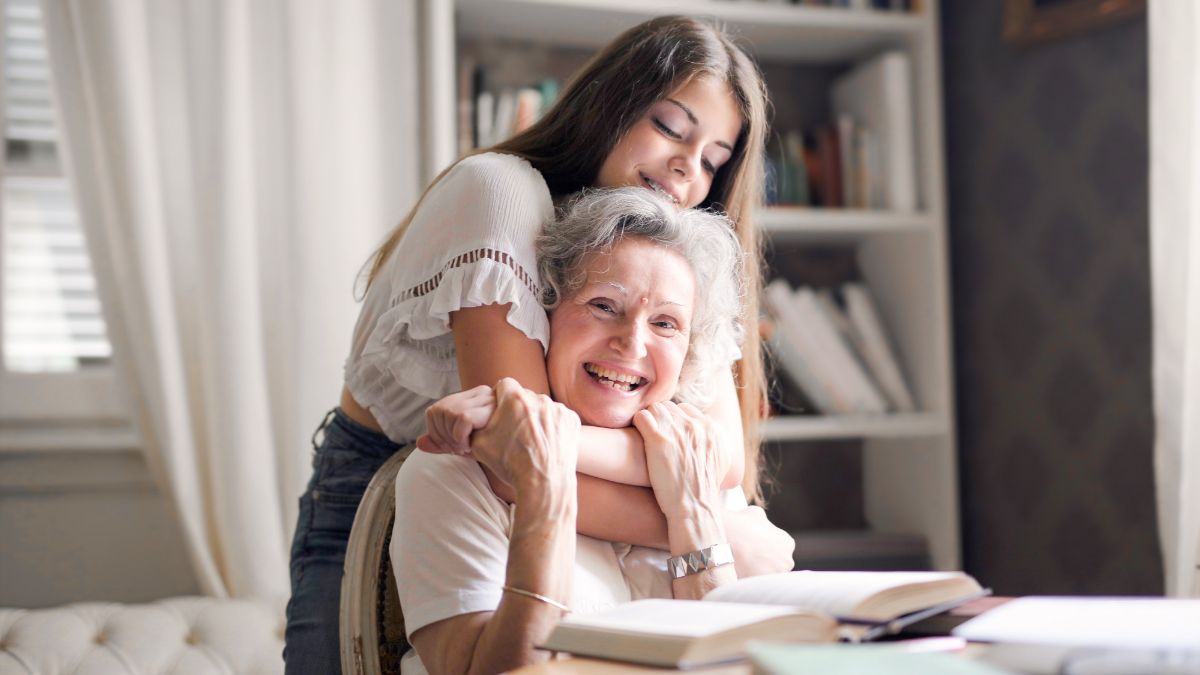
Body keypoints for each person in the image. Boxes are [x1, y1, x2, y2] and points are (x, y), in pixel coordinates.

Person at [284, 15, 793, 673]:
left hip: (544, 499)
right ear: (610, 106)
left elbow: (717, 457)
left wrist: (519, 435)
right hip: (395, 488)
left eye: (711, 162)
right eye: (670, 128)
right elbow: (511, 463)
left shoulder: (675, 248)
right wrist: (705, 521)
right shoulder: (499, 192)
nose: (686, 171)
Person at [395, 187, 753, 675]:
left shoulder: (698, 470)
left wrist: (695, 515)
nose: (632, 343)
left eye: (666, 323)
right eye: (605, 305)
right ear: (546, 313)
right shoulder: (454, 475)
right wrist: (544, 483)